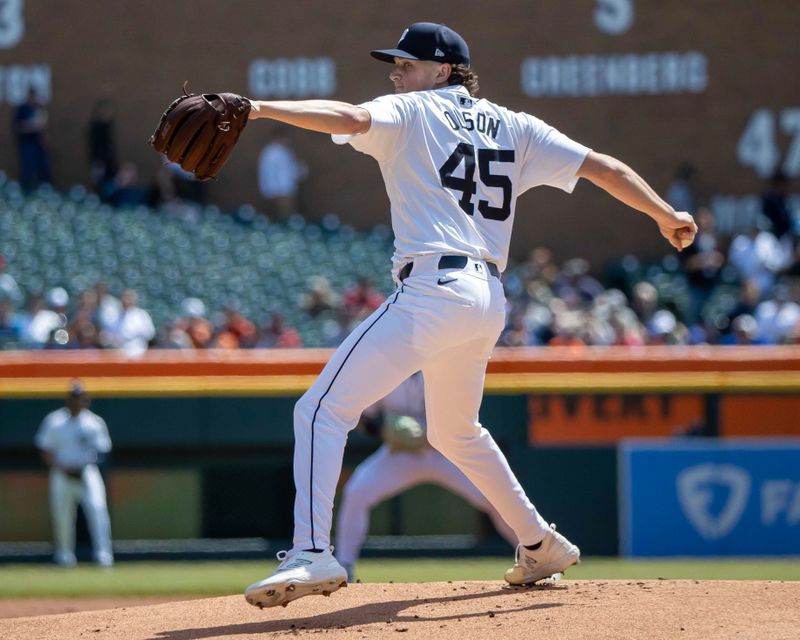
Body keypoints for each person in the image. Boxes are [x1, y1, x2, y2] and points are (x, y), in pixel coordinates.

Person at [242, 22, 696, 608]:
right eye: (396, 64)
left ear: (443, 71)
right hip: (486, 298)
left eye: (407, 64)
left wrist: (258, 107)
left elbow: (349, 119)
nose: (396, 73)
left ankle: (310, 551)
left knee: (320, 410)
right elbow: (602, 166)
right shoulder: (515, 125)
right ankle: (539, 543)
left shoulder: (413, 112)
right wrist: (663, 214)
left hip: (433, 287)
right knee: (455, 430)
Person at [335, 371, 516, 581]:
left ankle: (534, 554)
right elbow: (363, 417)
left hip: (447, 453)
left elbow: (464, 415)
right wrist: (384, 428)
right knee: (357, 491)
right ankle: (344, 566)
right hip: (400, 456)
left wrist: (430, 432)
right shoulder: (385, 369)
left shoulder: (443, 365)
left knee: (495, 497)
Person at [34, 382, 114, 567]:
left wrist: (84, 464)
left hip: (87, 473)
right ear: (67, 400)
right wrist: (62, 467)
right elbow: (45, 449)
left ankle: (104, 557)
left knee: (98, 510)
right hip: (61, 474)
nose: (76, 401)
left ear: (86, 400)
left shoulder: (94, 422)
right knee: (62, 516)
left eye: (79, 398)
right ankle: (64, 557)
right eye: (73, 398)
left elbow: (102, 450)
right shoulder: (54, 421)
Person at [12, 88, 52, 192]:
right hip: (27, 144)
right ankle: (26, 191)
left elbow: (42, 128)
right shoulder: (22, 109)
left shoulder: (38, 109)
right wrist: (31, 126)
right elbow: (17, 127)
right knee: (27, 169)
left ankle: (45, 191)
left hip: (38, 144)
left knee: (44, 168)